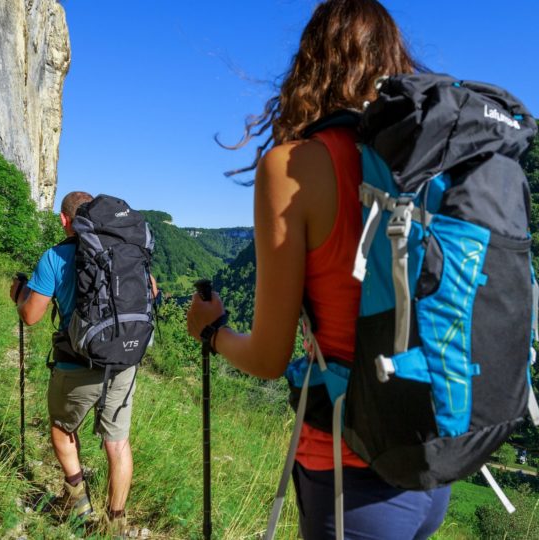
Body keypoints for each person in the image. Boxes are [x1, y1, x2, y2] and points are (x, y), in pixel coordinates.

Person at [187, 1, 451, 538]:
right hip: (436, 460)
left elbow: (267, 357)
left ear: (311, 64)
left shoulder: (294, 165)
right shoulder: (429, 165)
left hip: (352, 474)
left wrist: (211, 332)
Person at [10, 190, 156, 534]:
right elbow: (152, 290)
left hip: (76, 363)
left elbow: (31, 316)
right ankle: (115, 524)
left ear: (65, 221)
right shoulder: (126, 251)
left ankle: (78, 501)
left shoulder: (54, 258)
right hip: (123, 361)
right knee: (117, 443)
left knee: (62, 430)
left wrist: (19, 295)